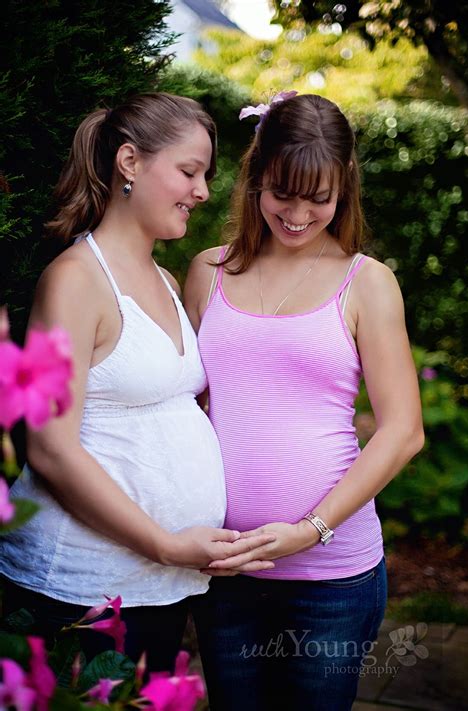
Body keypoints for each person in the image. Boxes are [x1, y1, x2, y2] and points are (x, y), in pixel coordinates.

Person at [0, 92, 275, 672]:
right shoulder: (74, 282)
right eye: (188, 171)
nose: (202, 191)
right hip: (81, 589)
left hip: (161, 586)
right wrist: (166, 542)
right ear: (129, 162)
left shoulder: (167, 281)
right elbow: (50, 447)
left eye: (205, 175)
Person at [185, 93, 424, 710]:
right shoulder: (207, 271)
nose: (297, 215)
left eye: (318, 198)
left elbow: (402, 431)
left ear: (344, 188)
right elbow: (190, 410)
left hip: (331, 577)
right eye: (281, 194)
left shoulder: (367, 281)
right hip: (225, 568)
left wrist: (308, 531)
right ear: (255, 178)